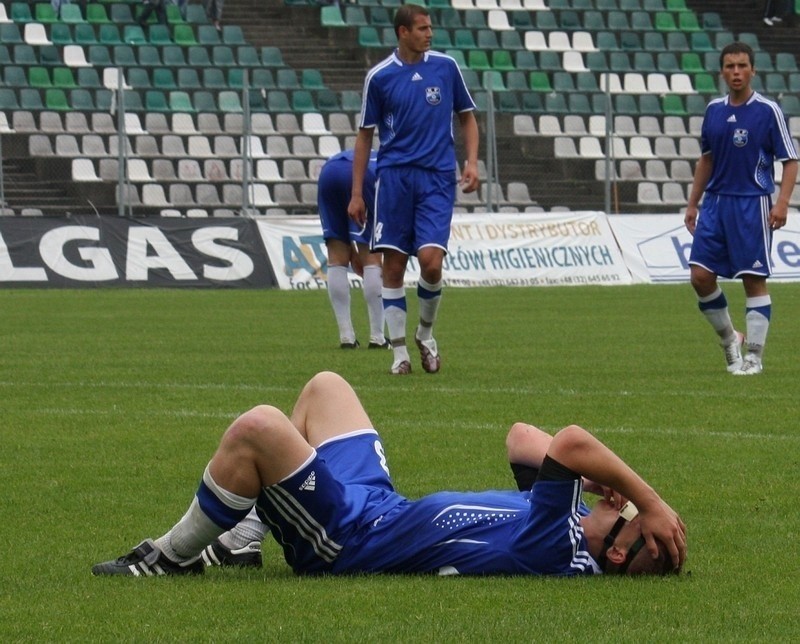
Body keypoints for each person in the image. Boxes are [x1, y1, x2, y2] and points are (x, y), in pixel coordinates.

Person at [92, 371, 687, 578]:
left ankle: (168, 557)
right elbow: (524, 438)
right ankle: (246, 539)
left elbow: (574, 441)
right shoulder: (569, 519)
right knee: (327, 387)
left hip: (350, 539)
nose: (628, 506)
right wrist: (591, 484)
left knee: (259, 429)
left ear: (616, 551)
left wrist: (651, 498)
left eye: (633, 518)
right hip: (383, 506)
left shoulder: (556, 547)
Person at [347, 3, 480, 376]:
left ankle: (425, 333)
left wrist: (471, 162)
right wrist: (357, 193)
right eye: (422, 28)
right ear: (403, 32)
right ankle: (399, 354)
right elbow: (364, 137)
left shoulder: (445, 67)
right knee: (393, 268)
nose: (429, 34)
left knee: (431, 263)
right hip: (394, 179)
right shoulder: (380, 77)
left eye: (430, 28)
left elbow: (468, 118)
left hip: (437, 177)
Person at [684, 41, 798, 376]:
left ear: (753, 70)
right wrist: (693, 203)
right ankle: (729, 337)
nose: (736, 72)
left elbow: (790, 161)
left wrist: (782, 202)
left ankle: (754, 357)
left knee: (753, 279)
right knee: (700, 277)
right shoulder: (713, 110)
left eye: (742, 66)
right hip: (716, 204)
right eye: (730, 66)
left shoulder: (767, 111)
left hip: (753, 203)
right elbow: (707, 159)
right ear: (722, 71)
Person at [318, 149, 389, 350]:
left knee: (336, 256)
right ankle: (378, 338)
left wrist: (353, 249)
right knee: (373, 258)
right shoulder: (394, 167)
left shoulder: (381, 154)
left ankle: (346, 337)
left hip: (329, 170)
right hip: (363, 175)